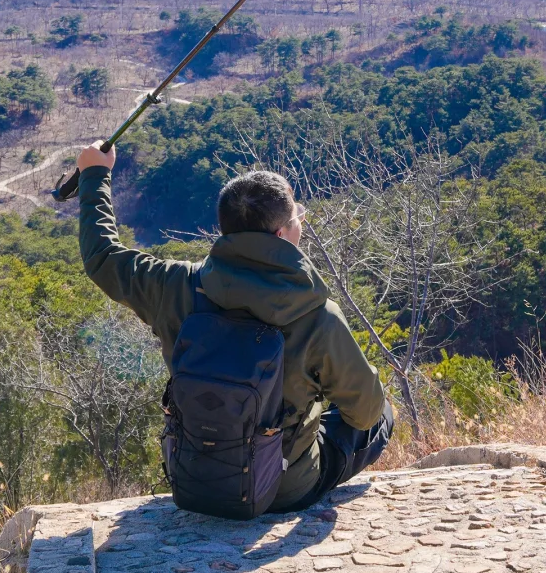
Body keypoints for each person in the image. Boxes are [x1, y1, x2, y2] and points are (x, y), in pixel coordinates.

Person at [75, 143, 394, 511]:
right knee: (379, 414)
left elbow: (102, 257)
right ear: (281, 235)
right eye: (297, 219)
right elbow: (364, 412)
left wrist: (94, 173)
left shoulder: (175, 286)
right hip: (284, 488)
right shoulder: (319, 315)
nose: (300, 225)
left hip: (193, 477)